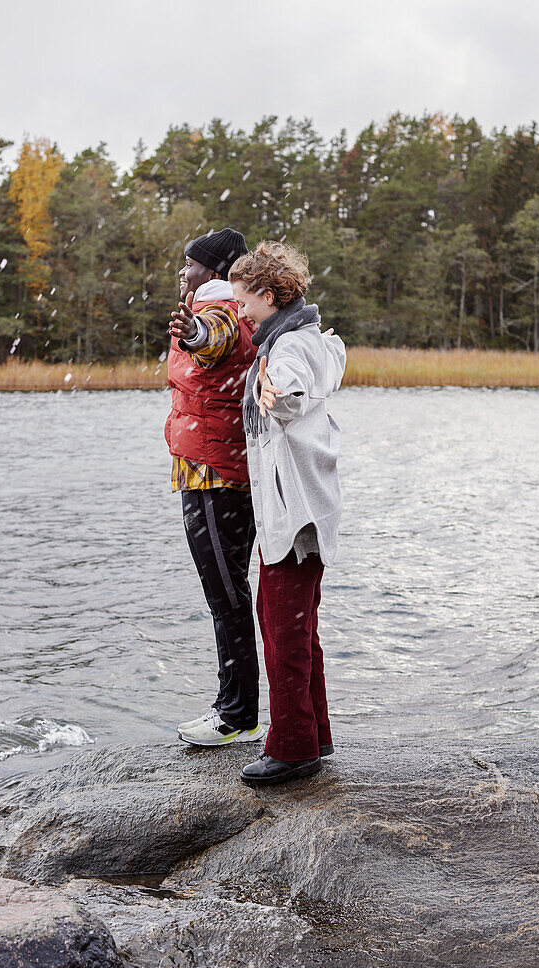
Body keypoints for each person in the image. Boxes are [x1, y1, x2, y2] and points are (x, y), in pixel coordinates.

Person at [227, 241, 346, 785]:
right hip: (306, 509)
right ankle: (314, 732)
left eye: (244, 301)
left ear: (269, 296)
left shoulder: (288, 348)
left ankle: (293, 748)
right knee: (299, 628)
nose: (240, 312)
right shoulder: (307, 337)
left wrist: (276, 395)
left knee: (282, 631)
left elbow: (293, 394)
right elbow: (334, 361)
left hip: (295, 515)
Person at [165, 227, 262, 748]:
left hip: (215, 474)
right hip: (215, 468)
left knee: (226, 596)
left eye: (191, 263)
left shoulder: (221, 313)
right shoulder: (227, 309)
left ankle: (238, 715)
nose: (183, 271)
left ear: (216, 272)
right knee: (228, 593)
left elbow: (213, 342)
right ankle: (236, 708)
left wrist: (195, 334)